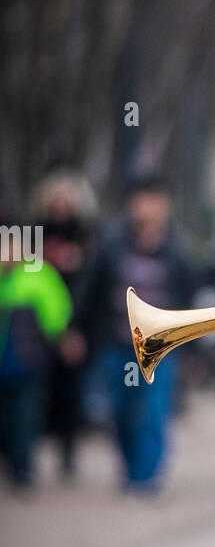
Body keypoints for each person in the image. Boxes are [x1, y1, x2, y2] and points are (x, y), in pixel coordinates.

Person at [74, 173, 195, 492]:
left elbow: (189, 300)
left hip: (163, 346)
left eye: (154, 200)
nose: (147, 207)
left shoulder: (177, 247)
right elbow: (91, 290)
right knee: (121, 411)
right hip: (118, 343)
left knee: (154, 411)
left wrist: (193, 349)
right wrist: (75, 330)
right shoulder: (111, 243)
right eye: (142, 199)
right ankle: (130, 471)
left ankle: (148, 476)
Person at [30, 167, 98, 477]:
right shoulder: (35, 231)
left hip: (73, 321)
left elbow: (92, 280)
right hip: (36, 324)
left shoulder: (86, 233)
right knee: (36, 391)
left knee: (71, 391)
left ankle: (68, 454)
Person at [0, 225, 73, 487]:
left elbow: (56, 310)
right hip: (6, 363)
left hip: (28, 361)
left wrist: (62, 337)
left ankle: (23, 468)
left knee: (26, 417)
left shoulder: (37, 273)